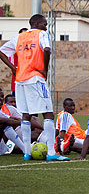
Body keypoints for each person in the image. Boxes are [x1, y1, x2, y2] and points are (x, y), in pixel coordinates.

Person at [0, 14, 69, 161]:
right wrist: (45, 69)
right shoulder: (41, 34)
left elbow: (1, 51)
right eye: (44, 24)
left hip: (20, 80)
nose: (46, 26)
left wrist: (14, 68)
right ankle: (51, 152)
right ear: (37, 23)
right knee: (48, 114)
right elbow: (47, 50)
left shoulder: (19, 37)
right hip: (35, 78)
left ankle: (27, 152)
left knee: (25, 115)